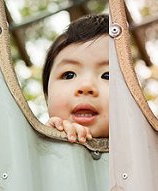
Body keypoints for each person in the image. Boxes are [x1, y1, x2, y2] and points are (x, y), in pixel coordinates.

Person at [42, 14, 109, 143]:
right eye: (69, 75)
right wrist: (50, 142)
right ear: (47, 94)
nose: (85, 86)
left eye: (107, 75)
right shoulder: (36, 150)